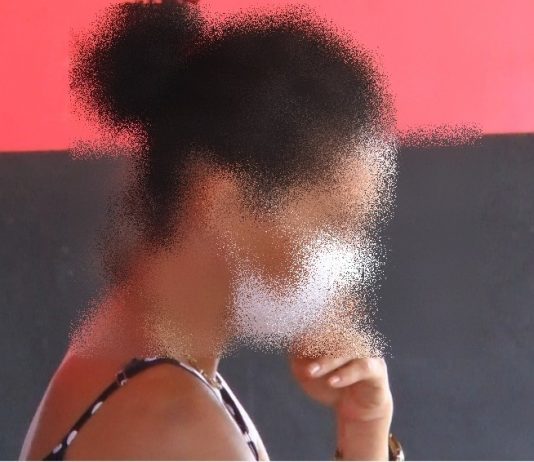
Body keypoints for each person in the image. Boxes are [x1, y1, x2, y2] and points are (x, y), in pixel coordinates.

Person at [19, 0, 401, 460]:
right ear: (222, 203)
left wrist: (364, 429)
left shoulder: (141, 369)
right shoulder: (176, 426)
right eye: (332, 222)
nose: (351, 264)